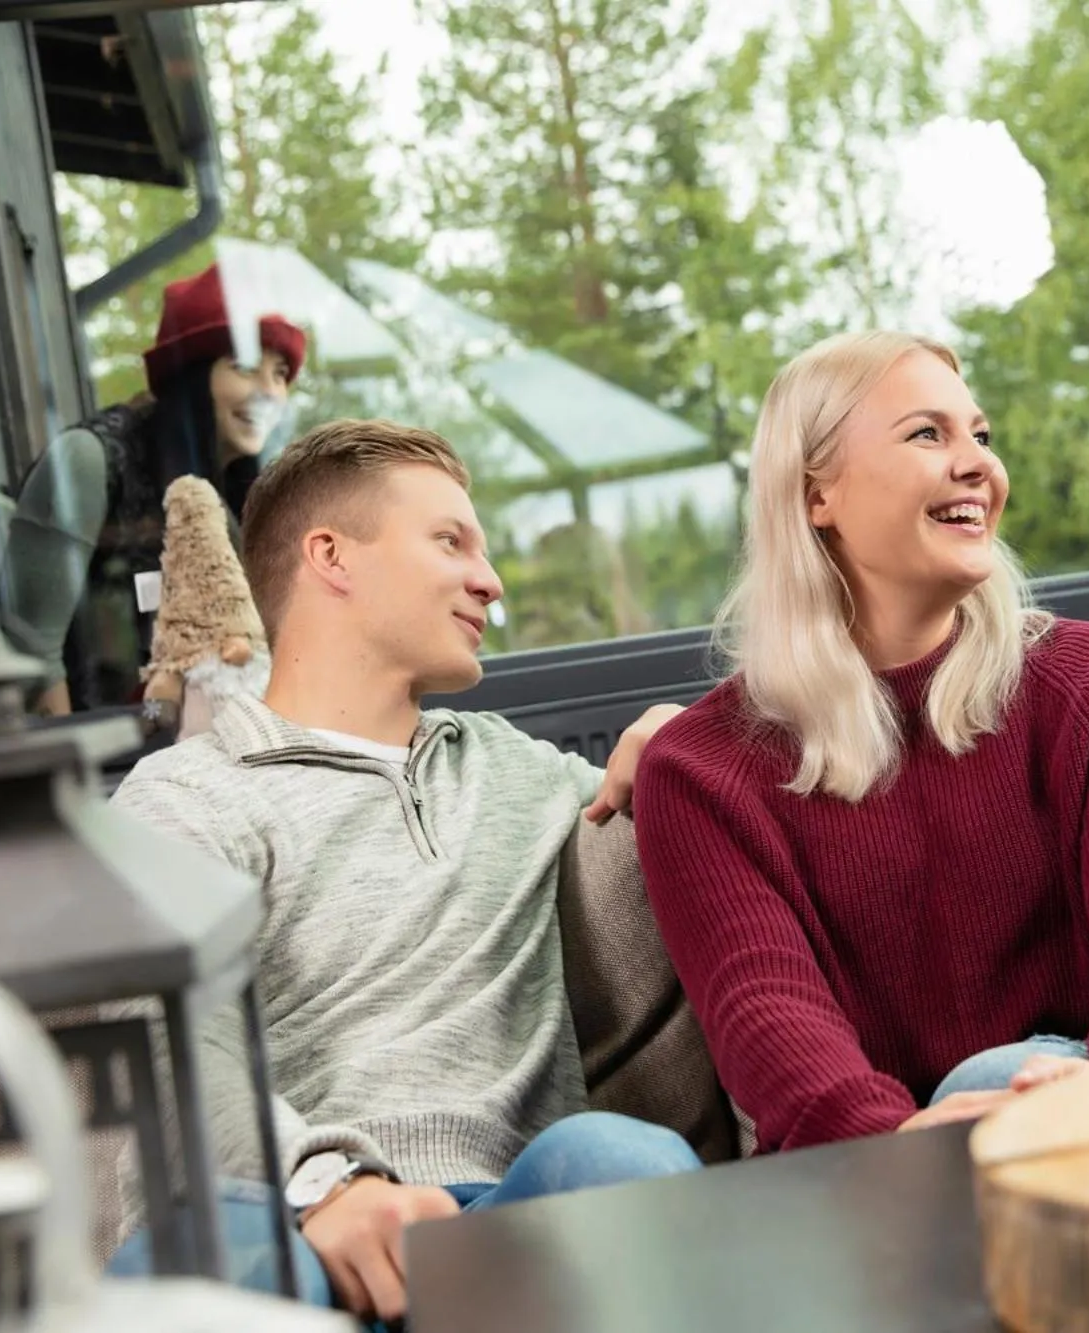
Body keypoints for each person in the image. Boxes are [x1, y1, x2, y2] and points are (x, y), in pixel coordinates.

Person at [106, 418, 701, 1326]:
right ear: (332, 556)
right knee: (208, 1286)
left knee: (623, 1163)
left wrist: (688, 742)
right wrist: (326, 1185)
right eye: (451, 541)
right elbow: (174, 1034)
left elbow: (728, 804)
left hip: (501, 1216)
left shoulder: (517, 768)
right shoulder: (186, 795)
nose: (490, 581)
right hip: (284, 1219)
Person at [631, 331, 1089, 1155]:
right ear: (815, 494)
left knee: (1003, 1079)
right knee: (985, 1091)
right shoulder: (697, 771)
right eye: (927, 433)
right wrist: (903, 1139)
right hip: (875, 1179)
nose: (977, 463)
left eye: (981, 434)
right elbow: (777, 1032)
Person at [1, 263, 305, 716]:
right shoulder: (90, 461)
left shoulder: (250, 497)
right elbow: (32, 660)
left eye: (280, 373)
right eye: (244, 365)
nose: (269, 391)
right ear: (192, 372)